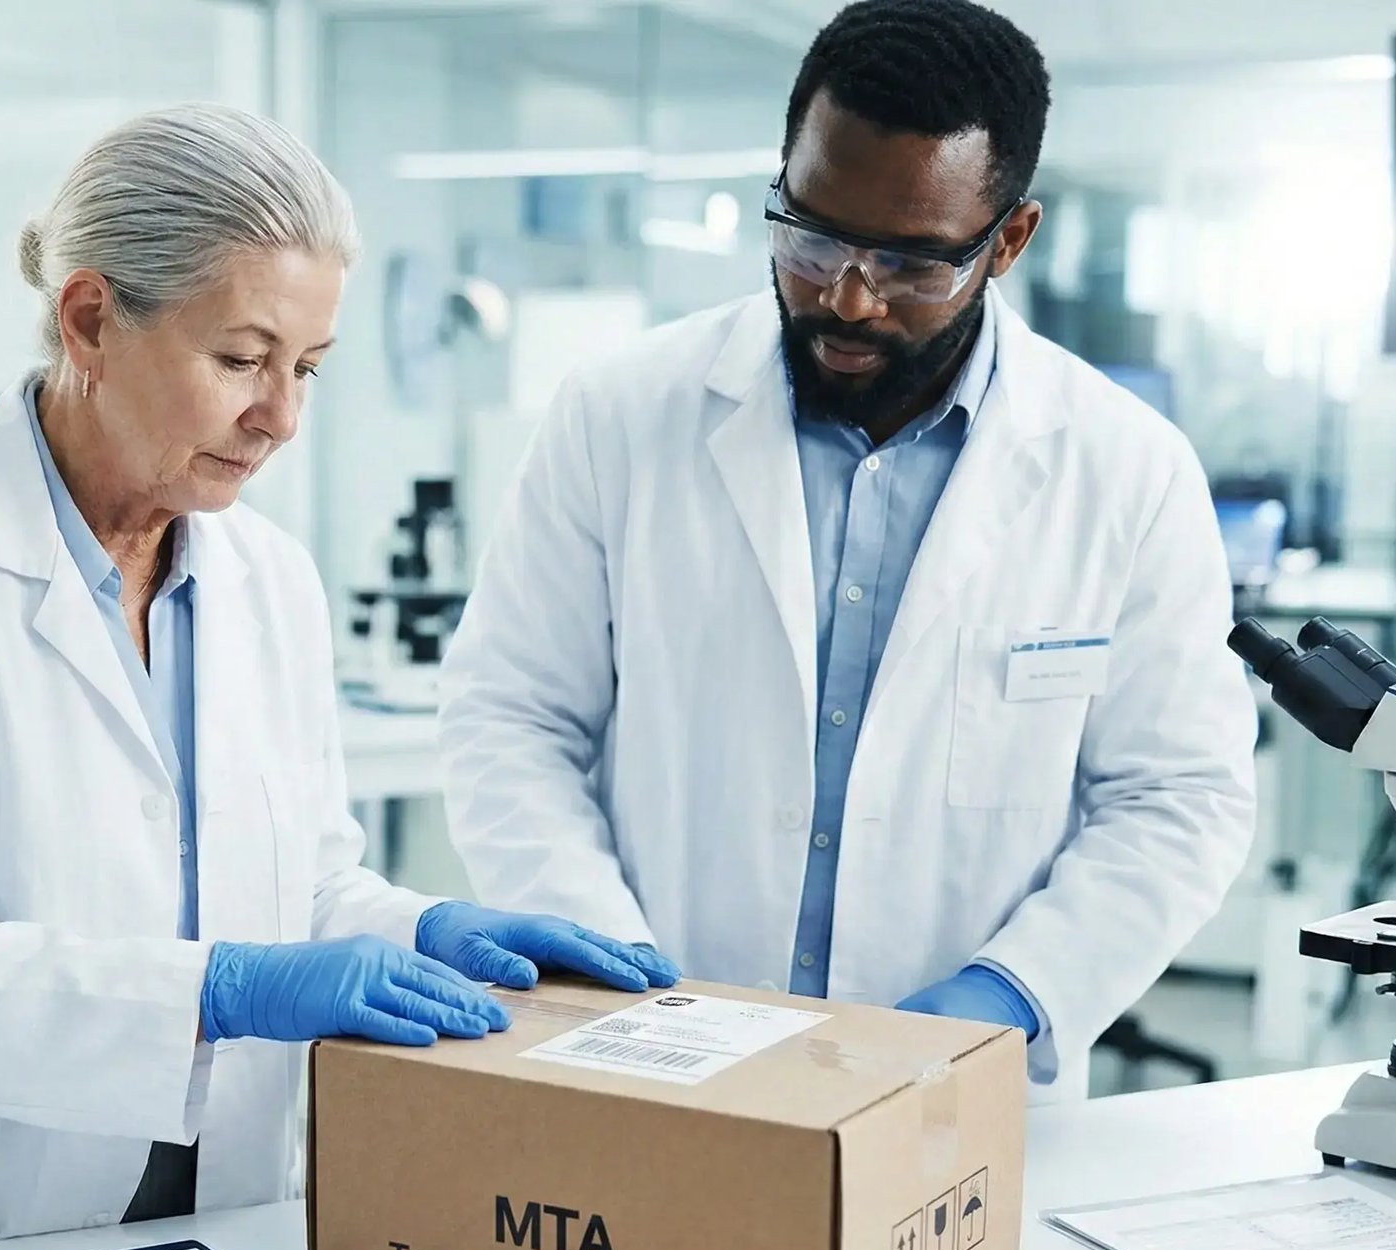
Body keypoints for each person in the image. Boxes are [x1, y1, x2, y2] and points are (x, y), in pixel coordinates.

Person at [0, 105, 675, 1250]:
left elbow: (297, 884)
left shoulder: (268, 578)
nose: (281, 418)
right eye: (241, 359)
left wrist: (422, 928)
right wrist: (231, 986)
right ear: (92, 319)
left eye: (305, 367)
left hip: (207, 1231)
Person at [437, 0, 1255, 1104]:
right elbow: (510, 714)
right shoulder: (621, 413)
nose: (847, 297)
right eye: (810, 237)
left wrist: (1007, 995)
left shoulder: (1123, 468)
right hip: (654, 1067)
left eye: (912, 264)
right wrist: (606, 968)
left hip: (958, 1102)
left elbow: (1177, 795)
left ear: (1006, 240)